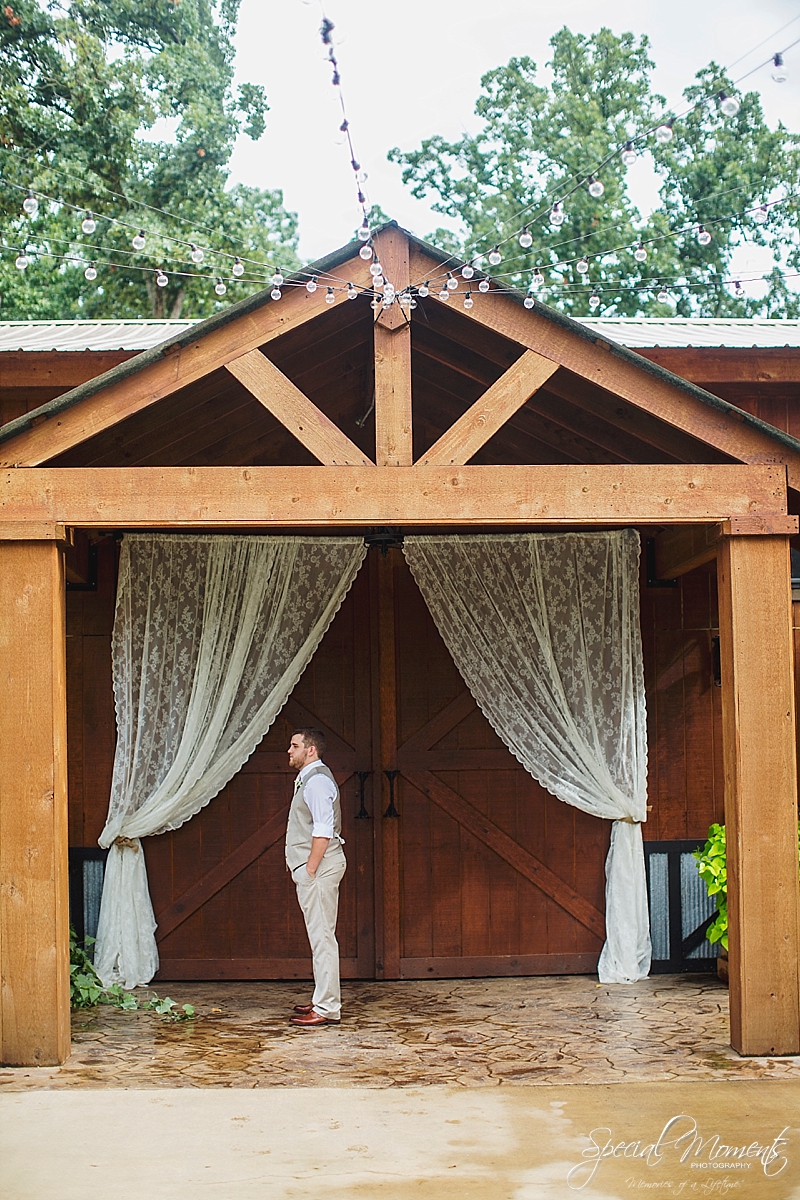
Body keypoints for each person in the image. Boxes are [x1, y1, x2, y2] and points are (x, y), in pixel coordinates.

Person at [285, 727, 346, 1027]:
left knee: (322, 938)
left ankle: (326, 1007)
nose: (289, 751)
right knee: (319, 935)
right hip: (317, 868)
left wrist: (309, 869)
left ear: (311, 750)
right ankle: (322, 997)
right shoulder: (310, 780)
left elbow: (323, 829)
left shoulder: (318, 782)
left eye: (294, 746)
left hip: (319, 868)